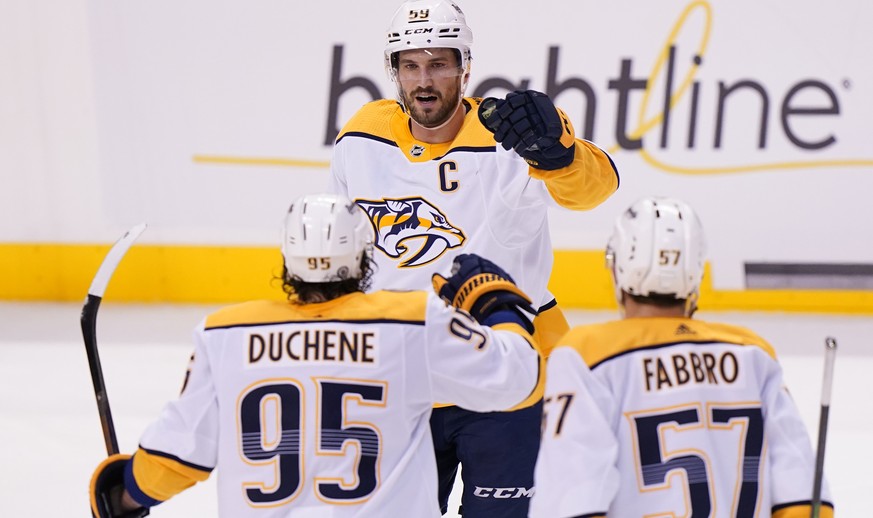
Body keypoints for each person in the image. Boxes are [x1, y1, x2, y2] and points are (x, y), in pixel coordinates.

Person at [329, 1, 619, 515]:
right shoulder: (361, 135)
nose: (424, 80)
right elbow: (346, 249)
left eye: (439, 63)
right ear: (392, 70)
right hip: (405, 377)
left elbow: (595, 189)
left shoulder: (513, 132)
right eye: (410, 65)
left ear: (465, 66)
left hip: (509, 371)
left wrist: (561, 154)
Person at [88, 193, 541, 517]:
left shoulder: (225, 333)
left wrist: (123, 494)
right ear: (365, 257)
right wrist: (496, 303)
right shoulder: (411, 320)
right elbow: (518, 377)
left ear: (287, 261)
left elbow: (175, 458)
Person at [530, 196, 835, 518]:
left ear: (617, 268)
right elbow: (804, 500)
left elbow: (571, 502)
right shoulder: (751, 353)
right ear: (697, 273)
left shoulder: (586, 356)